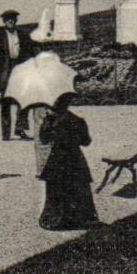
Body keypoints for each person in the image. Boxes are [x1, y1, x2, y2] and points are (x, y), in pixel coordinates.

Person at [36, 92, 99, 231]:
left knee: (56, 189)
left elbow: (44, 139)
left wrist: (47, 124)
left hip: (57, 159)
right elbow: (86, 141)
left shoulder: (51, 121)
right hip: (75, 159)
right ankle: (80, 218)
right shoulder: (77, 120)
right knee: (78, 188)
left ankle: (57, 218)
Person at [0, 9, 38, 140]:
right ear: (4, 22)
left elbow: (29, 53)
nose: (11, 22)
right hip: (5, 70)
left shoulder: (23, 35)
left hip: (19, 69)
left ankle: (20, 129)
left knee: (23, 100)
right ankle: (6, 132)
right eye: (8, 20)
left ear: (16, 21)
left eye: (13, 19)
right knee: (5, 101)